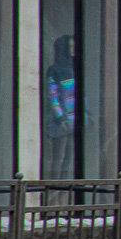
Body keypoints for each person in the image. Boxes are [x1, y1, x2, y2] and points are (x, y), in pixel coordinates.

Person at [45, 34, 76, 179]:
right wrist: (61, 118)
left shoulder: (75, 68)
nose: (73, 49)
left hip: (75, 119)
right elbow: (53, 96)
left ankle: (65, 191)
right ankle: (54, 189)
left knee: (69, 160)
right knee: (58, 159)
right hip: (61, 123)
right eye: (70, 47)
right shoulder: (54, 70)